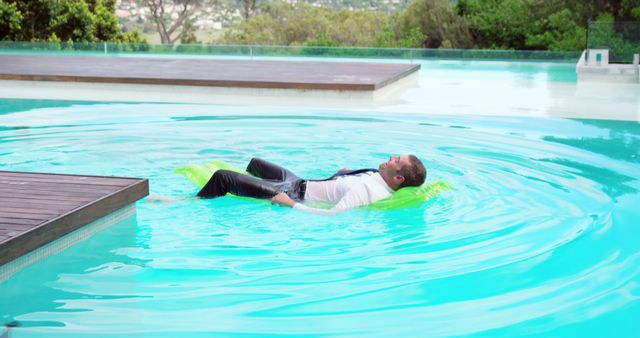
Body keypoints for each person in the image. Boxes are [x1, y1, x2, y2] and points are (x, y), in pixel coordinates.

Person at [197, 155, 427, 214]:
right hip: (297, 180)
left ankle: (189, 200)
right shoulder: (374, 175)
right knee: (256, 163)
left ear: (398, 178)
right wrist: (341, 175)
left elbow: (333, 214)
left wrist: (290, 204)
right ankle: (249, 183)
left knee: (222, 176)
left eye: (395, 161)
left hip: (290, 193)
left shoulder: (366, 191)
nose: (390, 158)